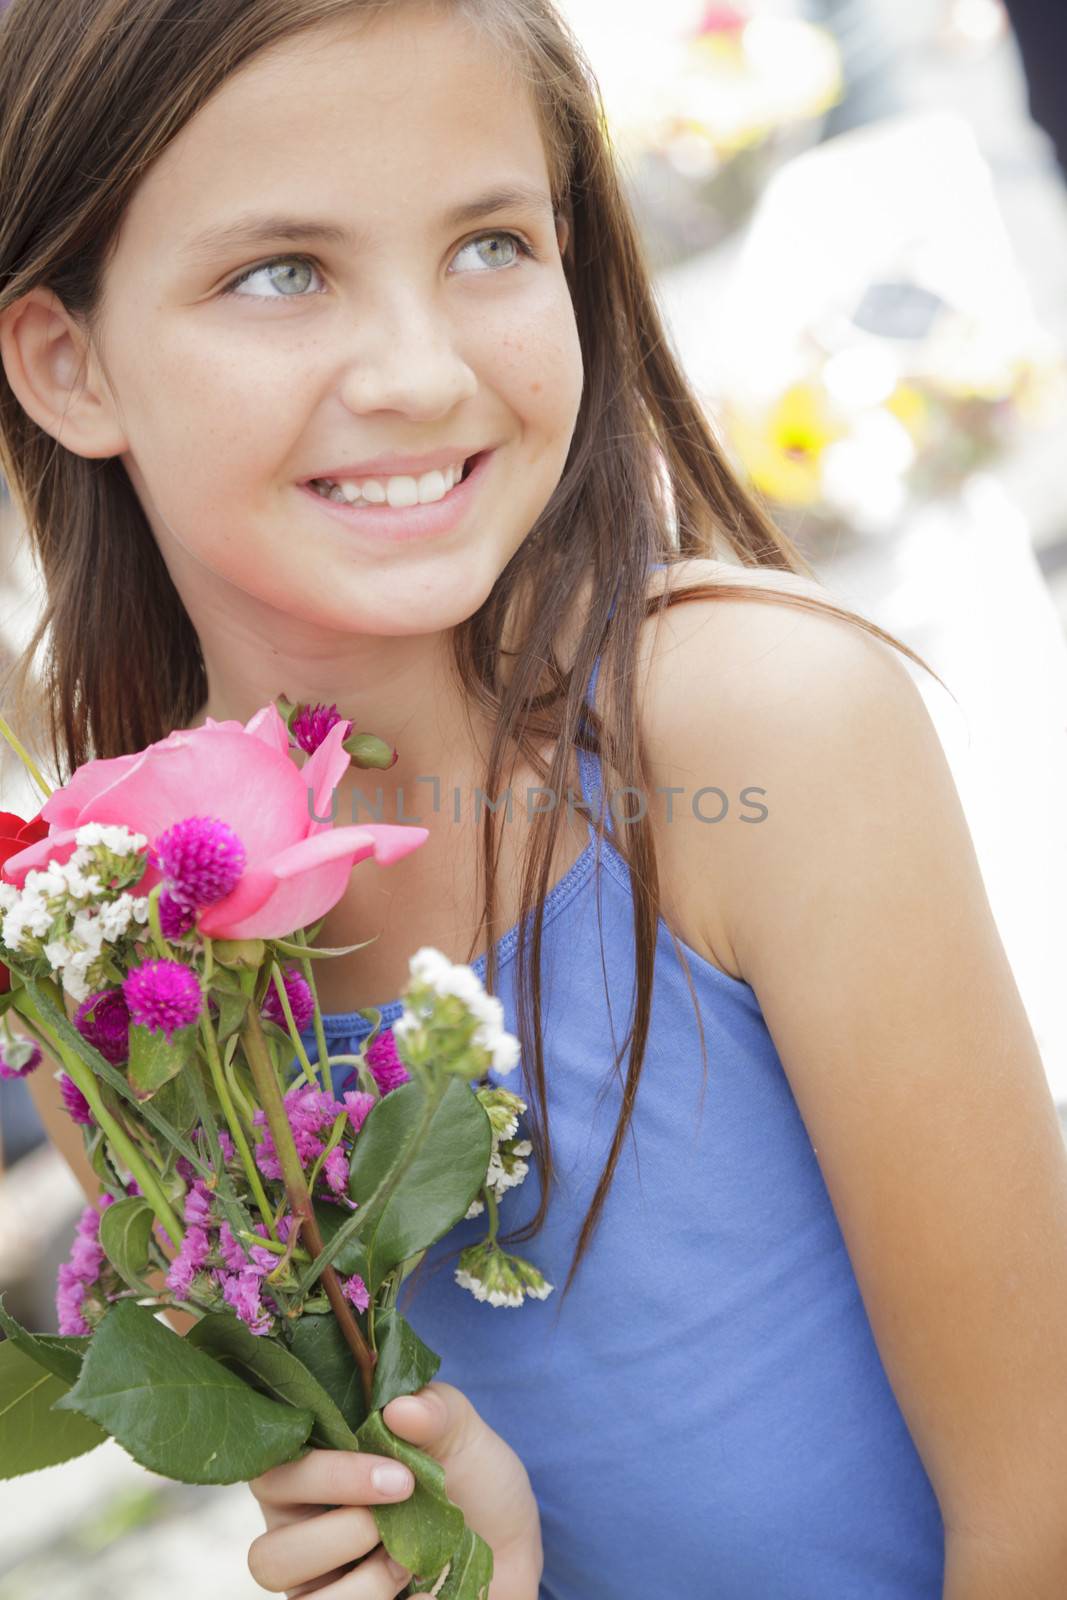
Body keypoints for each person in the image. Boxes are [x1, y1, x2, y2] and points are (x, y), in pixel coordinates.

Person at [1, 2, 1065, 1597]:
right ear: (68, 364)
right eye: (280, 272)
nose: (422, 372)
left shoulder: (745, 742)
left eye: (489, 244)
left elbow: (1041, 1507)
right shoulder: (110, 970)